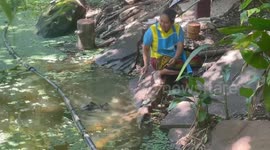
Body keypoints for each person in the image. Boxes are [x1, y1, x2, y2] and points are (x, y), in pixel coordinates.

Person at [141, 8, 192, 84]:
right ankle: (160, 72)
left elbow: (180, 46)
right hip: (158, 58)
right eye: (161, 21)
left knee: (196, 62)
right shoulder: (152, 31)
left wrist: (175, 57)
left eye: (166, 22)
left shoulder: (178, 29)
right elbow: (145, 49)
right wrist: (146, 64)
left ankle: (177, 72)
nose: (162, 24)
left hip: (174, 56)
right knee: (183, 67)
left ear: (172, 23)